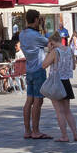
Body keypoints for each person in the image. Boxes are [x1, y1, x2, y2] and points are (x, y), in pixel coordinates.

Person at [41, 30, 77, 141]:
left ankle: (64, 136)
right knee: (68, 111)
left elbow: (44, 65)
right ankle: (76, 134)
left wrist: (49, 51)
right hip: (66, 82)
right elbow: (73, 67)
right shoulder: (69, 50)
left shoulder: (55, 51)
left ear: (51, 42)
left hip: (56, 82)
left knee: (59, 111)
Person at [19, 9, 52, 139]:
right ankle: (36, 131)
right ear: (37, 19)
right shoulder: (36, 36)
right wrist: (44, 28)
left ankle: (27, 131)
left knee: (29, 101)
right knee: (38, 101)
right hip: (39, 69)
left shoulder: (22, 34)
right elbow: (51, 42)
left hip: (29, 69)